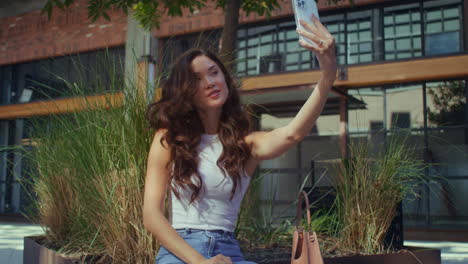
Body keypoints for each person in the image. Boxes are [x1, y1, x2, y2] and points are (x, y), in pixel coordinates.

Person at [143, 15, 337, 264]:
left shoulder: (246, 145)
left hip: (229, 252)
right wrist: (200, 263)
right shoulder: (169, 140)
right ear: (185, 91)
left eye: (214, 73)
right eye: (197, 79)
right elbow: (151, 215)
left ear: (225, 78)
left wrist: (327, 76)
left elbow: (293, 133)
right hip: (180, 251)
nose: (210, 82)